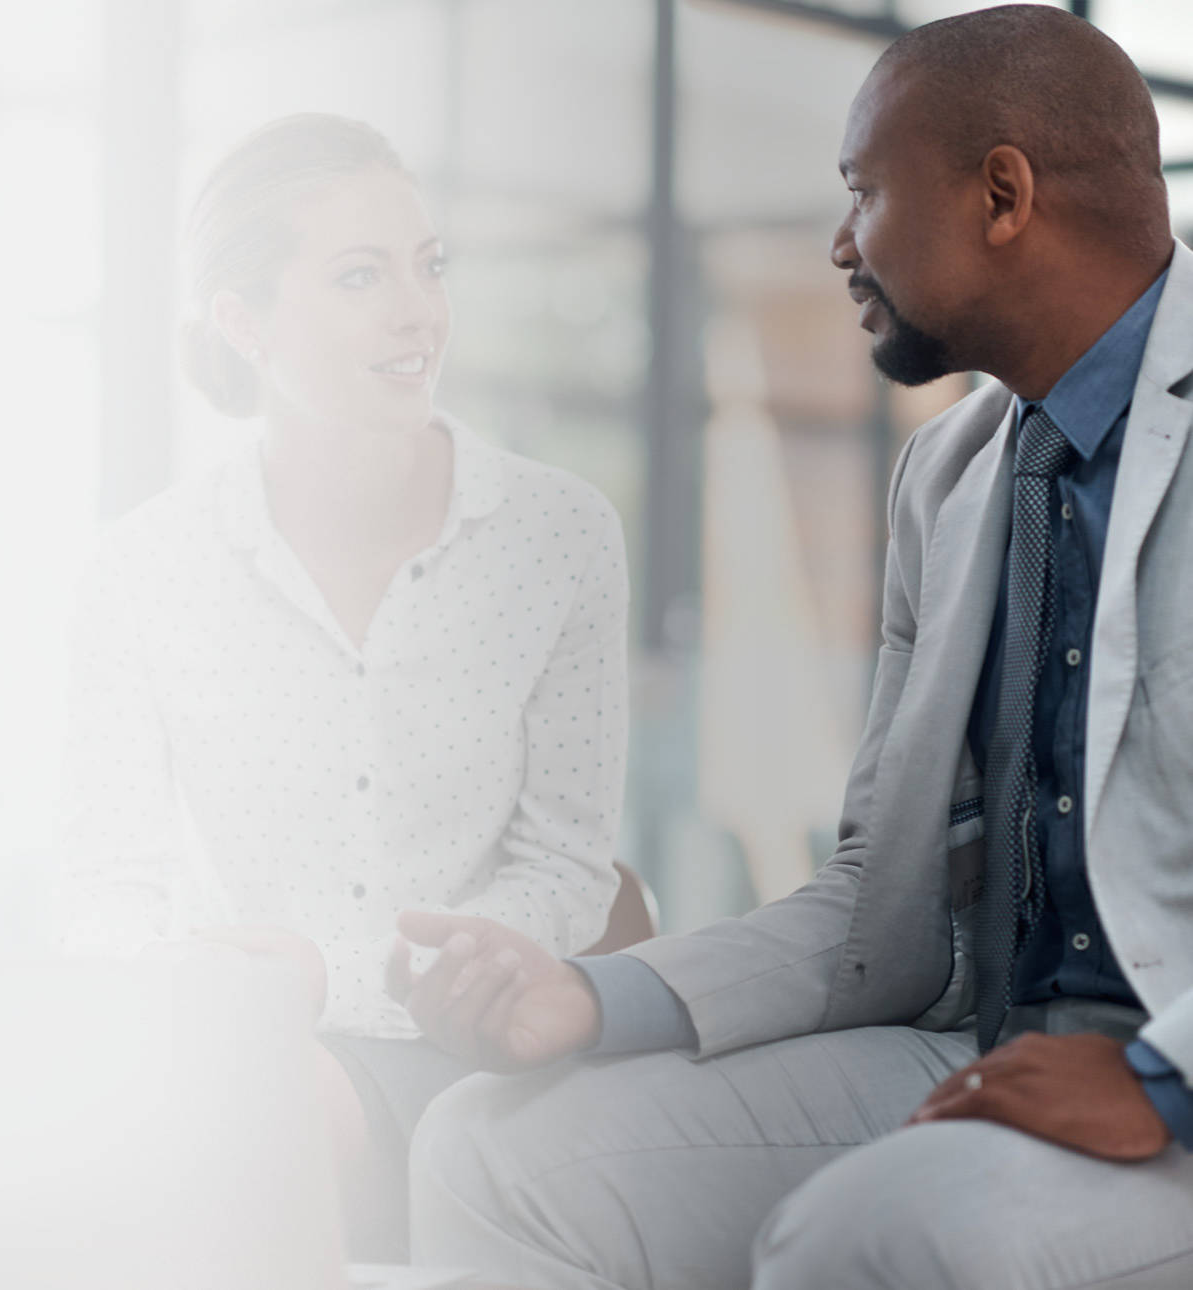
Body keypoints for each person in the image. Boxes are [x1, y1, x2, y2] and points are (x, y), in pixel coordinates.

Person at [389, 8, 1193, 1288]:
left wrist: (1161, 1079)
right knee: (489, 1153)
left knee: (876, 1232)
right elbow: (881, 905)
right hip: (985, 1056)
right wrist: (593, 1000)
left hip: (1174, 1099)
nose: (838, 243)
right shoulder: (950, 475)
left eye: (864, 192)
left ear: (1002, 194)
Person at [59, 113, 630, 1257]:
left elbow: (569, 863)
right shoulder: (139, 570)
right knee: (231, 1107)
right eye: (361, 276)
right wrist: (223, 995)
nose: (418, 310)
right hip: (266, 1056)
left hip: (497, 1043)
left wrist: (414, 968)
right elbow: (106, 892)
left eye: (428, 266)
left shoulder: (561, 535)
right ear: (243, 322)